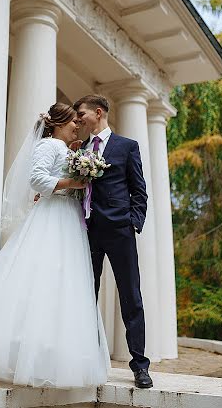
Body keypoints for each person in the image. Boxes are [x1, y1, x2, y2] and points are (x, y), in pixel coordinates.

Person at [0, 103, 110, 388]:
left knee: (64, 283)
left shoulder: (66, 148)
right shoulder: (48, 146)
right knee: (41, 277)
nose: (76, 126)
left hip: (68, 217)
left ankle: (50, 358)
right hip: (52, 217)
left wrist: (76, 177)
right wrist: (74, 182)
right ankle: (25, 358)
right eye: (72, 122)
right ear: (58, 123)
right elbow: (37, 178)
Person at [73, 94, 153, 389]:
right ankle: (85, 360)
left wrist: (133, 221)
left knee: (131, 297)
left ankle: (140, 366)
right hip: (87, 231)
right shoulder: (80, 149)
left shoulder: (127, 147)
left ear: (98, 112)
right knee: (84, 296)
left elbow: (139, 190)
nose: (78, 118)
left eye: (81, 113)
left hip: (120, 231)